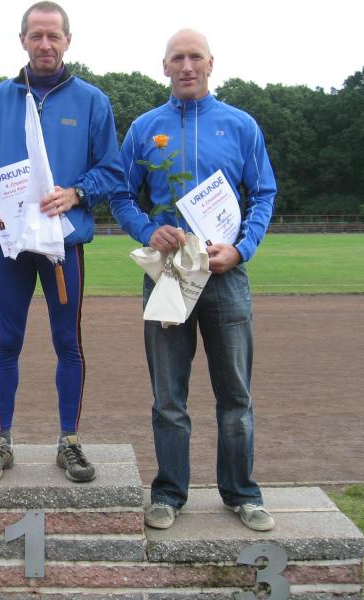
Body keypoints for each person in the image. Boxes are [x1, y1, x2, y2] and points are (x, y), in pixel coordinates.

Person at [110, 29, 277, 531]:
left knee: (236, 396)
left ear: (211, 63)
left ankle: (242, 494)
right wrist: (148, 229)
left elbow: (263, 193)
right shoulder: (144, 128)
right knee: (168, 398)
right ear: (164, 66)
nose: (187, 66)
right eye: (177, 58)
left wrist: (242, 248)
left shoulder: (241, 125)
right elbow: (121, 195)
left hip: (226, 276)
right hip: (169, 275)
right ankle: (168, 494)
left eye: (195, 57)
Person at [0, 1, 124, 484]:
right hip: (11, 245)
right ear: (23, 40)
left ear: (68, 40)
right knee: (7, 342)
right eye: (36, 35)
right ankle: (1, 442)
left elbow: (111, 170)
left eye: (54, 35)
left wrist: (77, 192)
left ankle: (69, 442)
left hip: (63, 246)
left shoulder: (92, 101)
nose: (45, 44)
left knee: (67, 342)